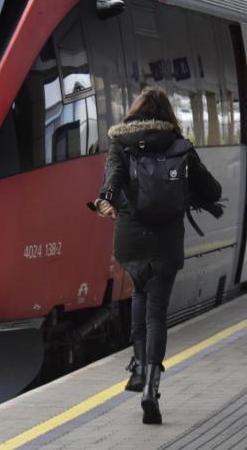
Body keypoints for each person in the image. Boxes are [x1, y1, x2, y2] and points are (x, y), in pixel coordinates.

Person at [94, 87, 222, 425]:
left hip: (132, 236)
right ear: (167, 115)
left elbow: (113, 179)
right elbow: (213, 191)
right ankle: (152, 384)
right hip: (167, 237)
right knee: (157, 313)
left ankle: (137, 367)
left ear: (135, 113)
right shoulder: (179, 145)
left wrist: (106, 199)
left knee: (138, 292)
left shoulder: (121, 143)